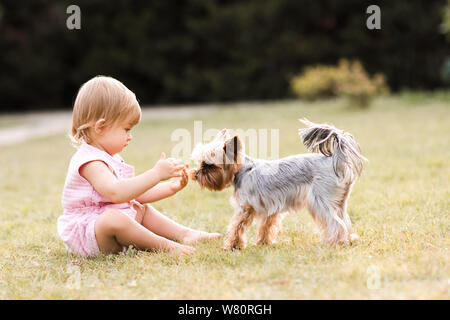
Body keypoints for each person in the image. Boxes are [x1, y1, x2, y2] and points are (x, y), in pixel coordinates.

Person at [57, 75, 221, 257]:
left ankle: (185, 234)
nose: (130, 136)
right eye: (126, 129)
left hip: (108, 224)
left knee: (140, 208)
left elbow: (134, 194)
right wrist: (156, 174)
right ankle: (166, 246)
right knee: (114, 218)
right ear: (100, 127)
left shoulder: (111, 157)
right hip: (90, 235)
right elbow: (117, 193)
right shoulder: (90, 162)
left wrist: (169, 187)